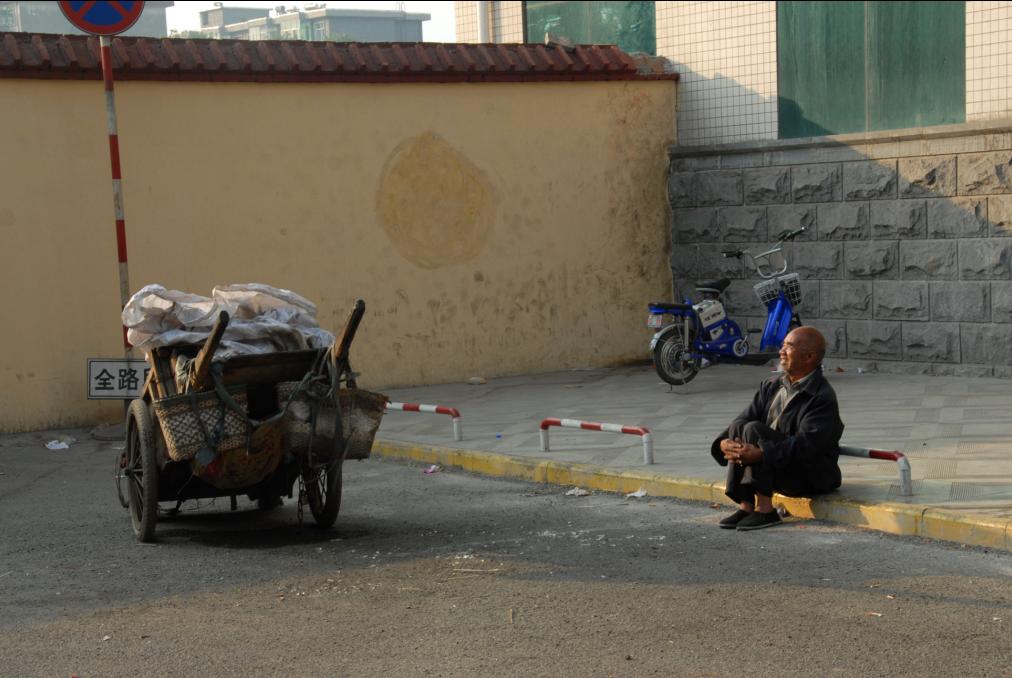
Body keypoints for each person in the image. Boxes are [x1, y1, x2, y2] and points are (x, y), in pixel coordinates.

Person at [710, 326, 843, 531]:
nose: (781, 350)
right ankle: (746, 506)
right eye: (783, 345)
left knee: (754, 430)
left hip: (808, 474)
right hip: (776, 466)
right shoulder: (772, 384)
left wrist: (762, 454)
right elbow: (744, 417)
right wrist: (724, 443)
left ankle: (765, 510)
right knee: (739, 426)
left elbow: (807, 446)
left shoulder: (821, 397)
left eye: (788, 346)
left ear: (809, 356)